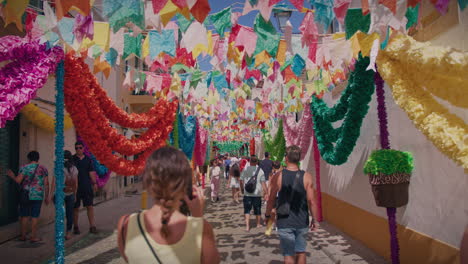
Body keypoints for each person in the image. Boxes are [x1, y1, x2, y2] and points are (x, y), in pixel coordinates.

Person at [117, 146, 220, 264]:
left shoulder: (125, 224)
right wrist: (198, 219)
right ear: (185, 185)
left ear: (148, 182)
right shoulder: (203, 228)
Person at [265, 145, 320, 264]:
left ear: (286, 158)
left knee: (289, 254)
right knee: (301, 251)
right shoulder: (307, 176)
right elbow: (312, 201)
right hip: (302, 220)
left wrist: (268, 215)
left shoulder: (278, 176)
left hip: (284, 221)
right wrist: (315, 220)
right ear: (299, 159)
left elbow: (271, 199)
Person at [7, 151, 49, 242]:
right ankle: (33, 236)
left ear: (29, 158)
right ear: (38, 158)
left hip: (26, 194)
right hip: (38, 195)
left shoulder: (24, 168)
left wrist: (12, 176)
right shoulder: (43, 168)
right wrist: (47, 196)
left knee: (24, 215)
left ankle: (23, 236)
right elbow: (46, 184)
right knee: (35, 216)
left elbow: (18, 181)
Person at [50, 150, 78, 240]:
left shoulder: (58, 168)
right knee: (69, 214)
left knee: (60, 214)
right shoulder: (74, 169)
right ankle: (68, 233)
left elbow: (54, 182)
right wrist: (75, 194)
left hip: (59, 194)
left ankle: (59, 233)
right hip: (70, 193)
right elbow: (76, 183)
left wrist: (50, 194)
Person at [73, 141, 98, 234]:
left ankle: (92, 226)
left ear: (83, 148)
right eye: (76, 148)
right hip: (75, 188)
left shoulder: (88, 159)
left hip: (86, 186)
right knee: (75, 208)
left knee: (89, 206)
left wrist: (94, 183)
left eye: (80, 147)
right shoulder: (72, 159)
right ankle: (75, 226)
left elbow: (91, 172)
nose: (78, 149)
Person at [240, 156, 267, 232]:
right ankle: (258, 224)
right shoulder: (260, 171)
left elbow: (241, 180)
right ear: (257, 162)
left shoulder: (245, 169)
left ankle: (247, 226)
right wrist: (266, 192)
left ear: (250, 162)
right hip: (257, 194)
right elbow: (263, 183)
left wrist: (242, 189)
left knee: (247, 210)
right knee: (258, 209)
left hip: (247, 193)